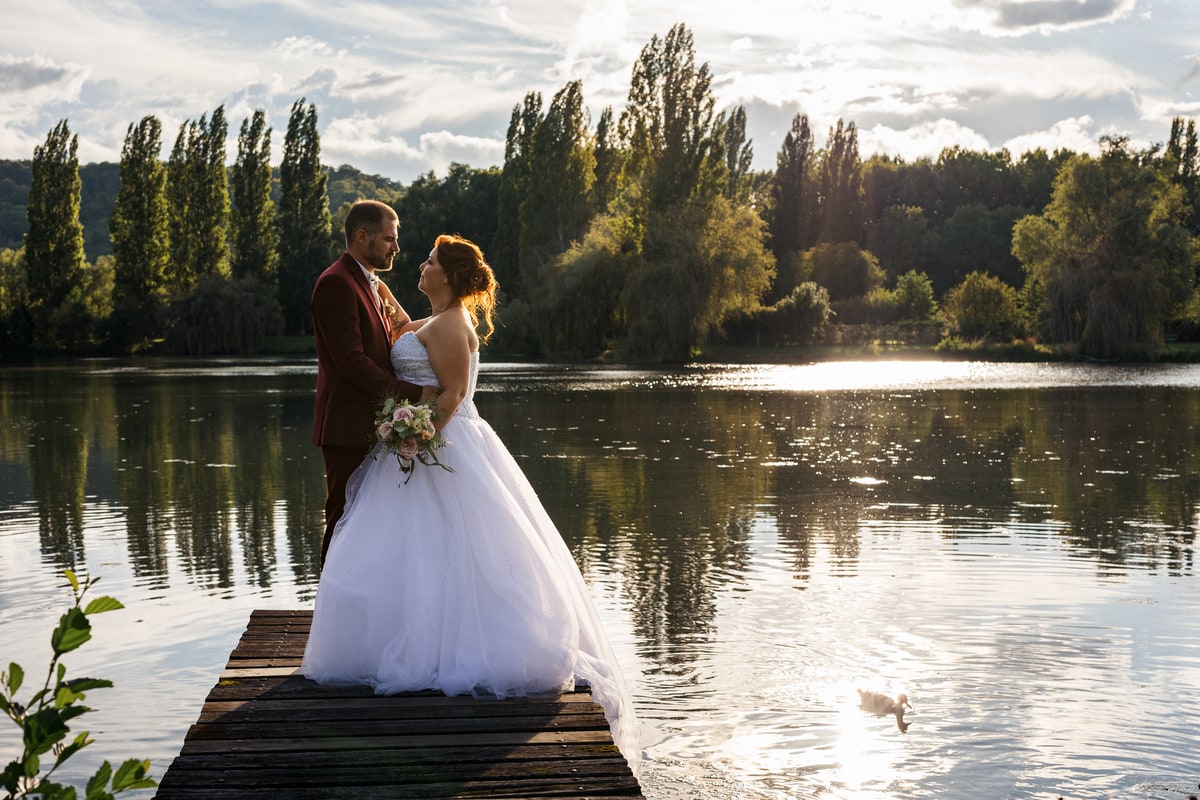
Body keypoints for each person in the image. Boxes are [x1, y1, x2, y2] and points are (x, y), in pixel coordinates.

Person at [302, 234, 641, 772]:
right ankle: (406, 636)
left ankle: (449, 648)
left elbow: (454, 394)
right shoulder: (437, 318)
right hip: (422, 441)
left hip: (442, 443)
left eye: (430, 260)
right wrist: (378, 289)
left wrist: (416, 437)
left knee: (454, 545)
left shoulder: (451, 324)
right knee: (414, 549)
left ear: (450, 275)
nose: (421, 263)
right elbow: (403, 327)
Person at [311, 199, 431, 568]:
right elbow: (352, 364)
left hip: (375, 426)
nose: (396, 247)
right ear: (362, 237)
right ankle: (331, 601)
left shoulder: (369, 283)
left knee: (371, 528)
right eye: (389, 239)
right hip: (348, 429)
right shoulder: (336, 283)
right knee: (344, 522)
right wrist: (416, 395)